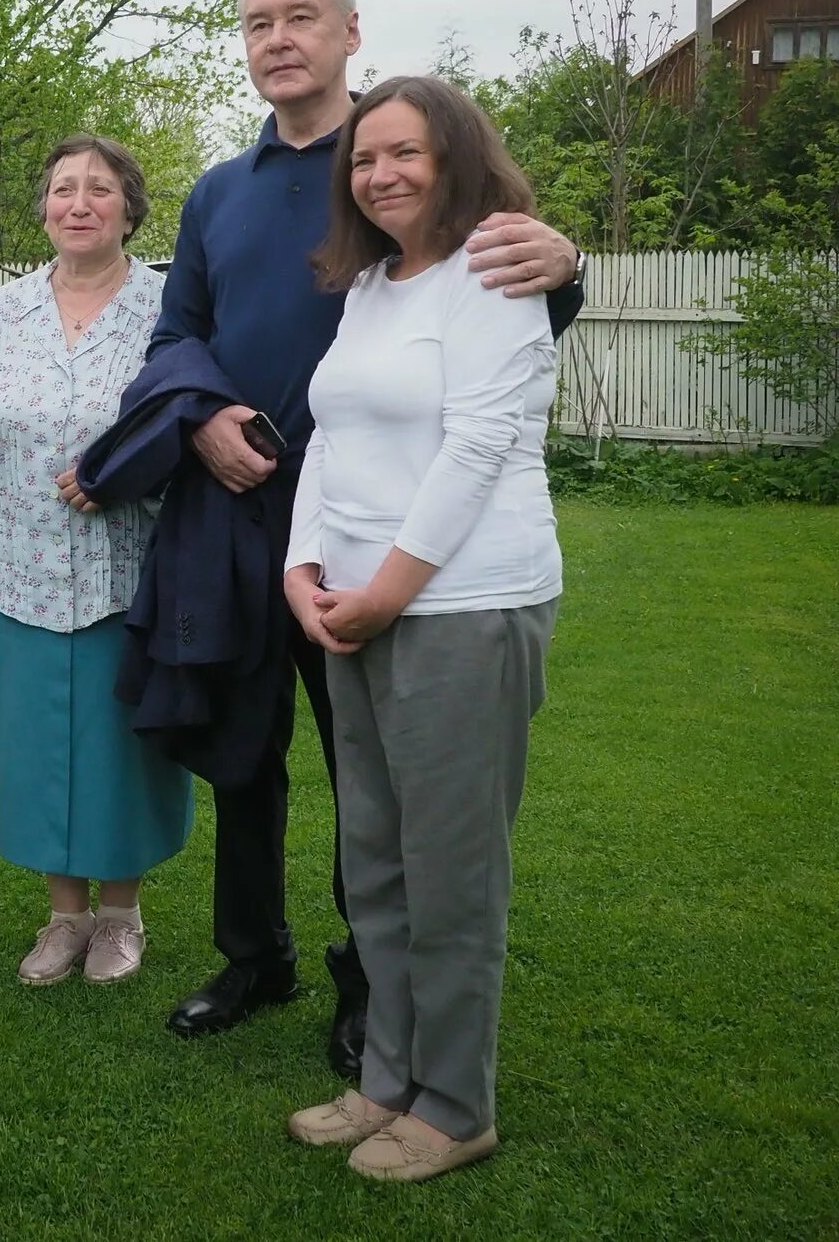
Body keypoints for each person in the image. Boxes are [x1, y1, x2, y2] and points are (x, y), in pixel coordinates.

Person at [127, 0, 585, 1077]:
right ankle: (251, 955)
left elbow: (491, 301)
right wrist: (199, 419)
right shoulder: (217, 195)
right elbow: (172, 333)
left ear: (347, 31)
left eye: (298, 19)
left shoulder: (400, 167)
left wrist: (566, 260)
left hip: (380, 529)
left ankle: (368, 983)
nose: (275, 40)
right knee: (241, 749)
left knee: (362, 766)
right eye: (254, 24)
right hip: (242, 516)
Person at [281, 76, 561, 1181]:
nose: (380, 174)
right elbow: (329, 436)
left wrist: (387, 587)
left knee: (448, 871)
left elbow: (478, 446)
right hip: (351, 608)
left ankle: (455, 1104)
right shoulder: (368, 287)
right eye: (362, 159)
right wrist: (302, 570)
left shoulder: (492, 273)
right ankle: (385, 1079)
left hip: (459, 606)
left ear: (453, 158)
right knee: (377, 863)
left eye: (403, 153)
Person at [0, 134, 193, 985]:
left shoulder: (169, 306)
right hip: (20, 568)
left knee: (122, 746)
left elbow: (190, 425)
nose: (78, 203)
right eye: (62, 190)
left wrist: (126, 477)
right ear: (44, 207)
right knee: (38, 747)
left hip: (129, 574)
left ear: (130, 205)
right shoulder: (7, 311)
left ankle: (121, 916)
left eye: (98, 189)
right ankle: (64, 916)